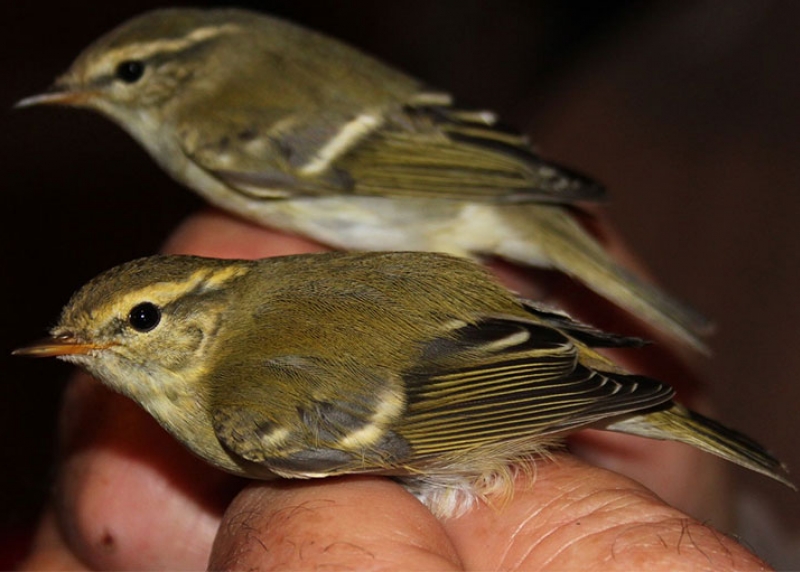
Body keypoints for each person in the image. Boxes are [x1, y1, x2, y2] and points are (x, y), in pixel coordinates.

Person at [19, 209, 772, 570]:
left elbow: (436, 401)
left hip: (485, 389)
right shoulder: (258, 320)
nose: (97, 351)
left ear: (203, 320)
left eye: (140, 321)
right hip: (498, 338)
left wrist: (597, 393)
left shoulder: (242, 411)